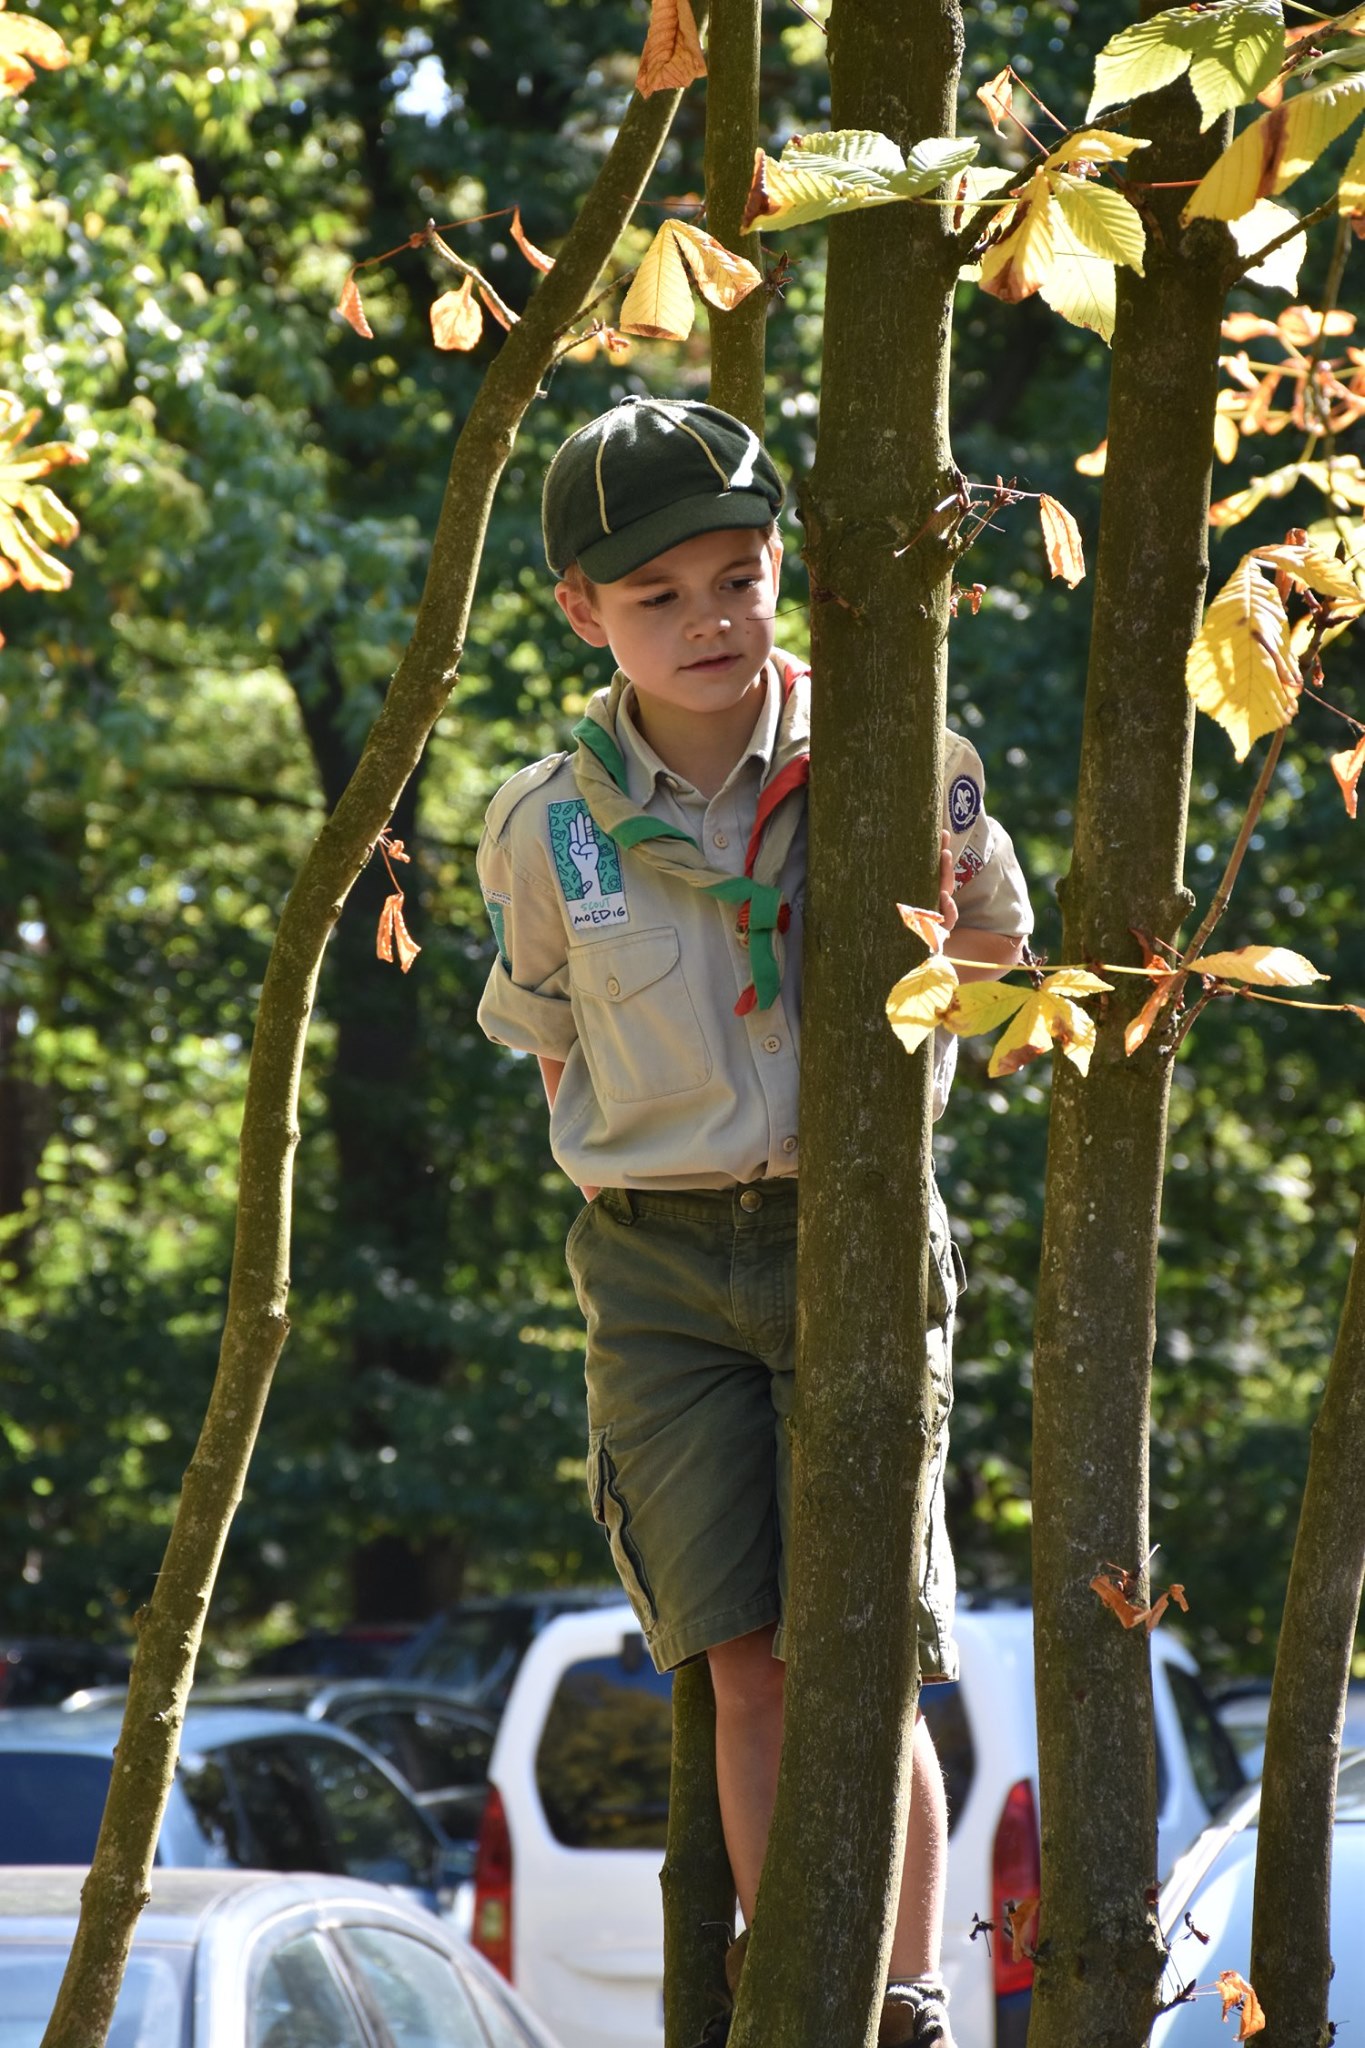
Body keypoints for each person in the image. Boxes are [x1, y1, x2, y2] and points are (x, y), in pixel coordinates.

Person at [475, 395, 1033, 2048]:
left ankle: (901, 1995)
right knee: (739, 1658)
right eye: (659, 597)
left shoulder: (895, 743)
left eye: (738, 577)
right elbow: (549, 1041)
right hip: (653, 1265)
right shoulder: (544, 823)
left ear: (780, 566)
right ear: (583, 613)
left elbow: (993, 963)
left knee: (858, 1650)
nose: (709, 620)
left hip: (845, 1233)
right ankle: (796, 1989)